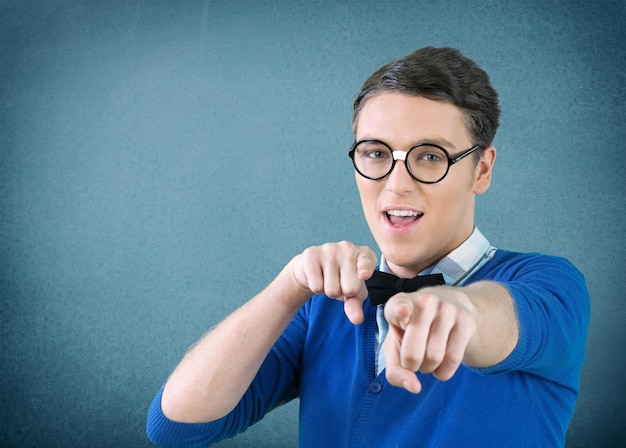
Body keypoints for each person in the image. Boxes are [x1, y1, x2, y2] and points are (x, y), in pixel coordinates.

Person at [146, 47, 590, 447]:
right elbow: (177, 426)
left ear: (481, 170)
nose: (397, 185)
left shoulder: (552, 284)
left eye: (431, 156)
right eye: (377, 153)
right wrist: (289, 285)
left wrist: (456, 311)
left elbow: (500, 319)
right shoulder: (323, 306)